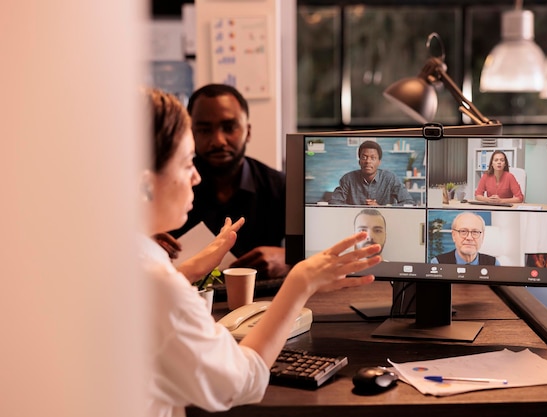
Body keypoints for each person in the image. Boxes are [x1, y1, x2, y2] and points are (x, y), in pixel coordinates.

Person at [141, 88, 382, 416]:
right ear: (144, 185)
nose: (194, 175)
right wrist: (300, 283)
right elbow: (240, 381)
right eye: (186, 164)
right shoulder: (158, 284)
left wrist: (190, 269)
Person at [162, 83, 289, 281]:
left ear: (247, 131)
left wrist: (288, 259)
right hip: (188, 301)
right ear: (190, 133)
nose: (219, 140)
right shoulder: (168, 186)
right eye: (204, 130)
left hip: (261, 303)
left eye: (229, 128)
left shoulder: (280, 186)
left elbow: (325, 250)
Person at [328, 140, 414, 206]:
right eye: (364, 157)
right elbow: (334, 202)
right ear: (359, 161)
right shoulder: (348, 179)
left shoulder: (390, 178)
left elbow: (409, 203)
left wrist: (382, 208)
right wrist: (358, 209)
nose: (368, 161)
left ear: (379, 162)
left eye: (373, 158)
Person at [430, 212, 500, 265]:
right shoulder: (437, 263)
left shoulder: (494, 264)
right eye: (463, 231)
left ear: (483, 236)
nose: (469, 238)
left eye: (475, 232)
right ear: (454, 235)